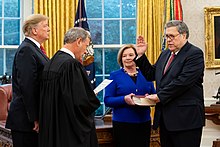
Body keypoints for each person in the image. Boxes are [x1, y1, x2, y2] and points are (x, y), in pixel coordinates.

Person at [135, 20, 205, 147]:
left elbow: (182, 82)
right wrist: (141, 55)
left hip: (186, 120)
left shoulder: (194, 54)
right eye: (166, 36)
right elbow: (152, 74)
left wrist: (159, 96)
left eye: (172, 36)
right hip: (166, 119)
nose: (168, 40)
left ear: (184, 35)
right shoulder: (166, 53)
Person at [39, 27, 100, 147]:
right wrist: (91, 97)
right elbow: (80, 102)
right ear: (78, 41)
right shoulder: (71, 65)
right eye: (86, 45)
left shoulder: (52, 62)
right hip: (69, 131)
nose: (86, 51)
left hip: (52, 128)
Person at [6, 14, 50, 147]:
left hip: (30, 120)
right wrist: (35, 118)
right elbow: (28, 87)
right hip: (26, 122)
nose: (49, 29)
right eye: (45, 26)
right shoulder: (26, 50)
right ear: (34, 30)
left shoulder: (35, 49)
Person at [104, 44, 156, 147]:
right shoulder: (114, 76)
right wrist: (124, 99)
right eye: (124, 56)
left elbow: (154, 96)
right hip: (123, 124)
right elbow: (107, 100)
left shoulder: (146, 74)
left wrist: (149, 99)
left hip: (144, 122)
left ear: (136, 57)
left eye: (131, 55)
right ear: (121, 59)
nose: (127, 58)